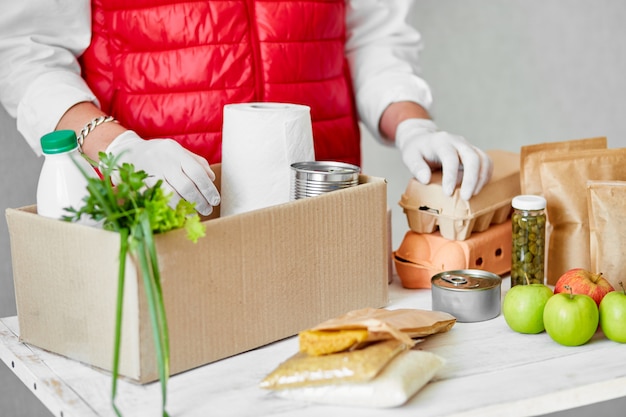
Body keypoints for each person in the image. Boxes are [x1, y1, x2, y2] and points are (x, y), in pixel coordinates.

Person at [0, 1, 492, 216]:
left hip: (321, 212)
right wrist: (118, 148)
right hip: (162, 211)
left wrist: (413, 126)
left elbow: (374, 32)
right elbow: (24, 49)